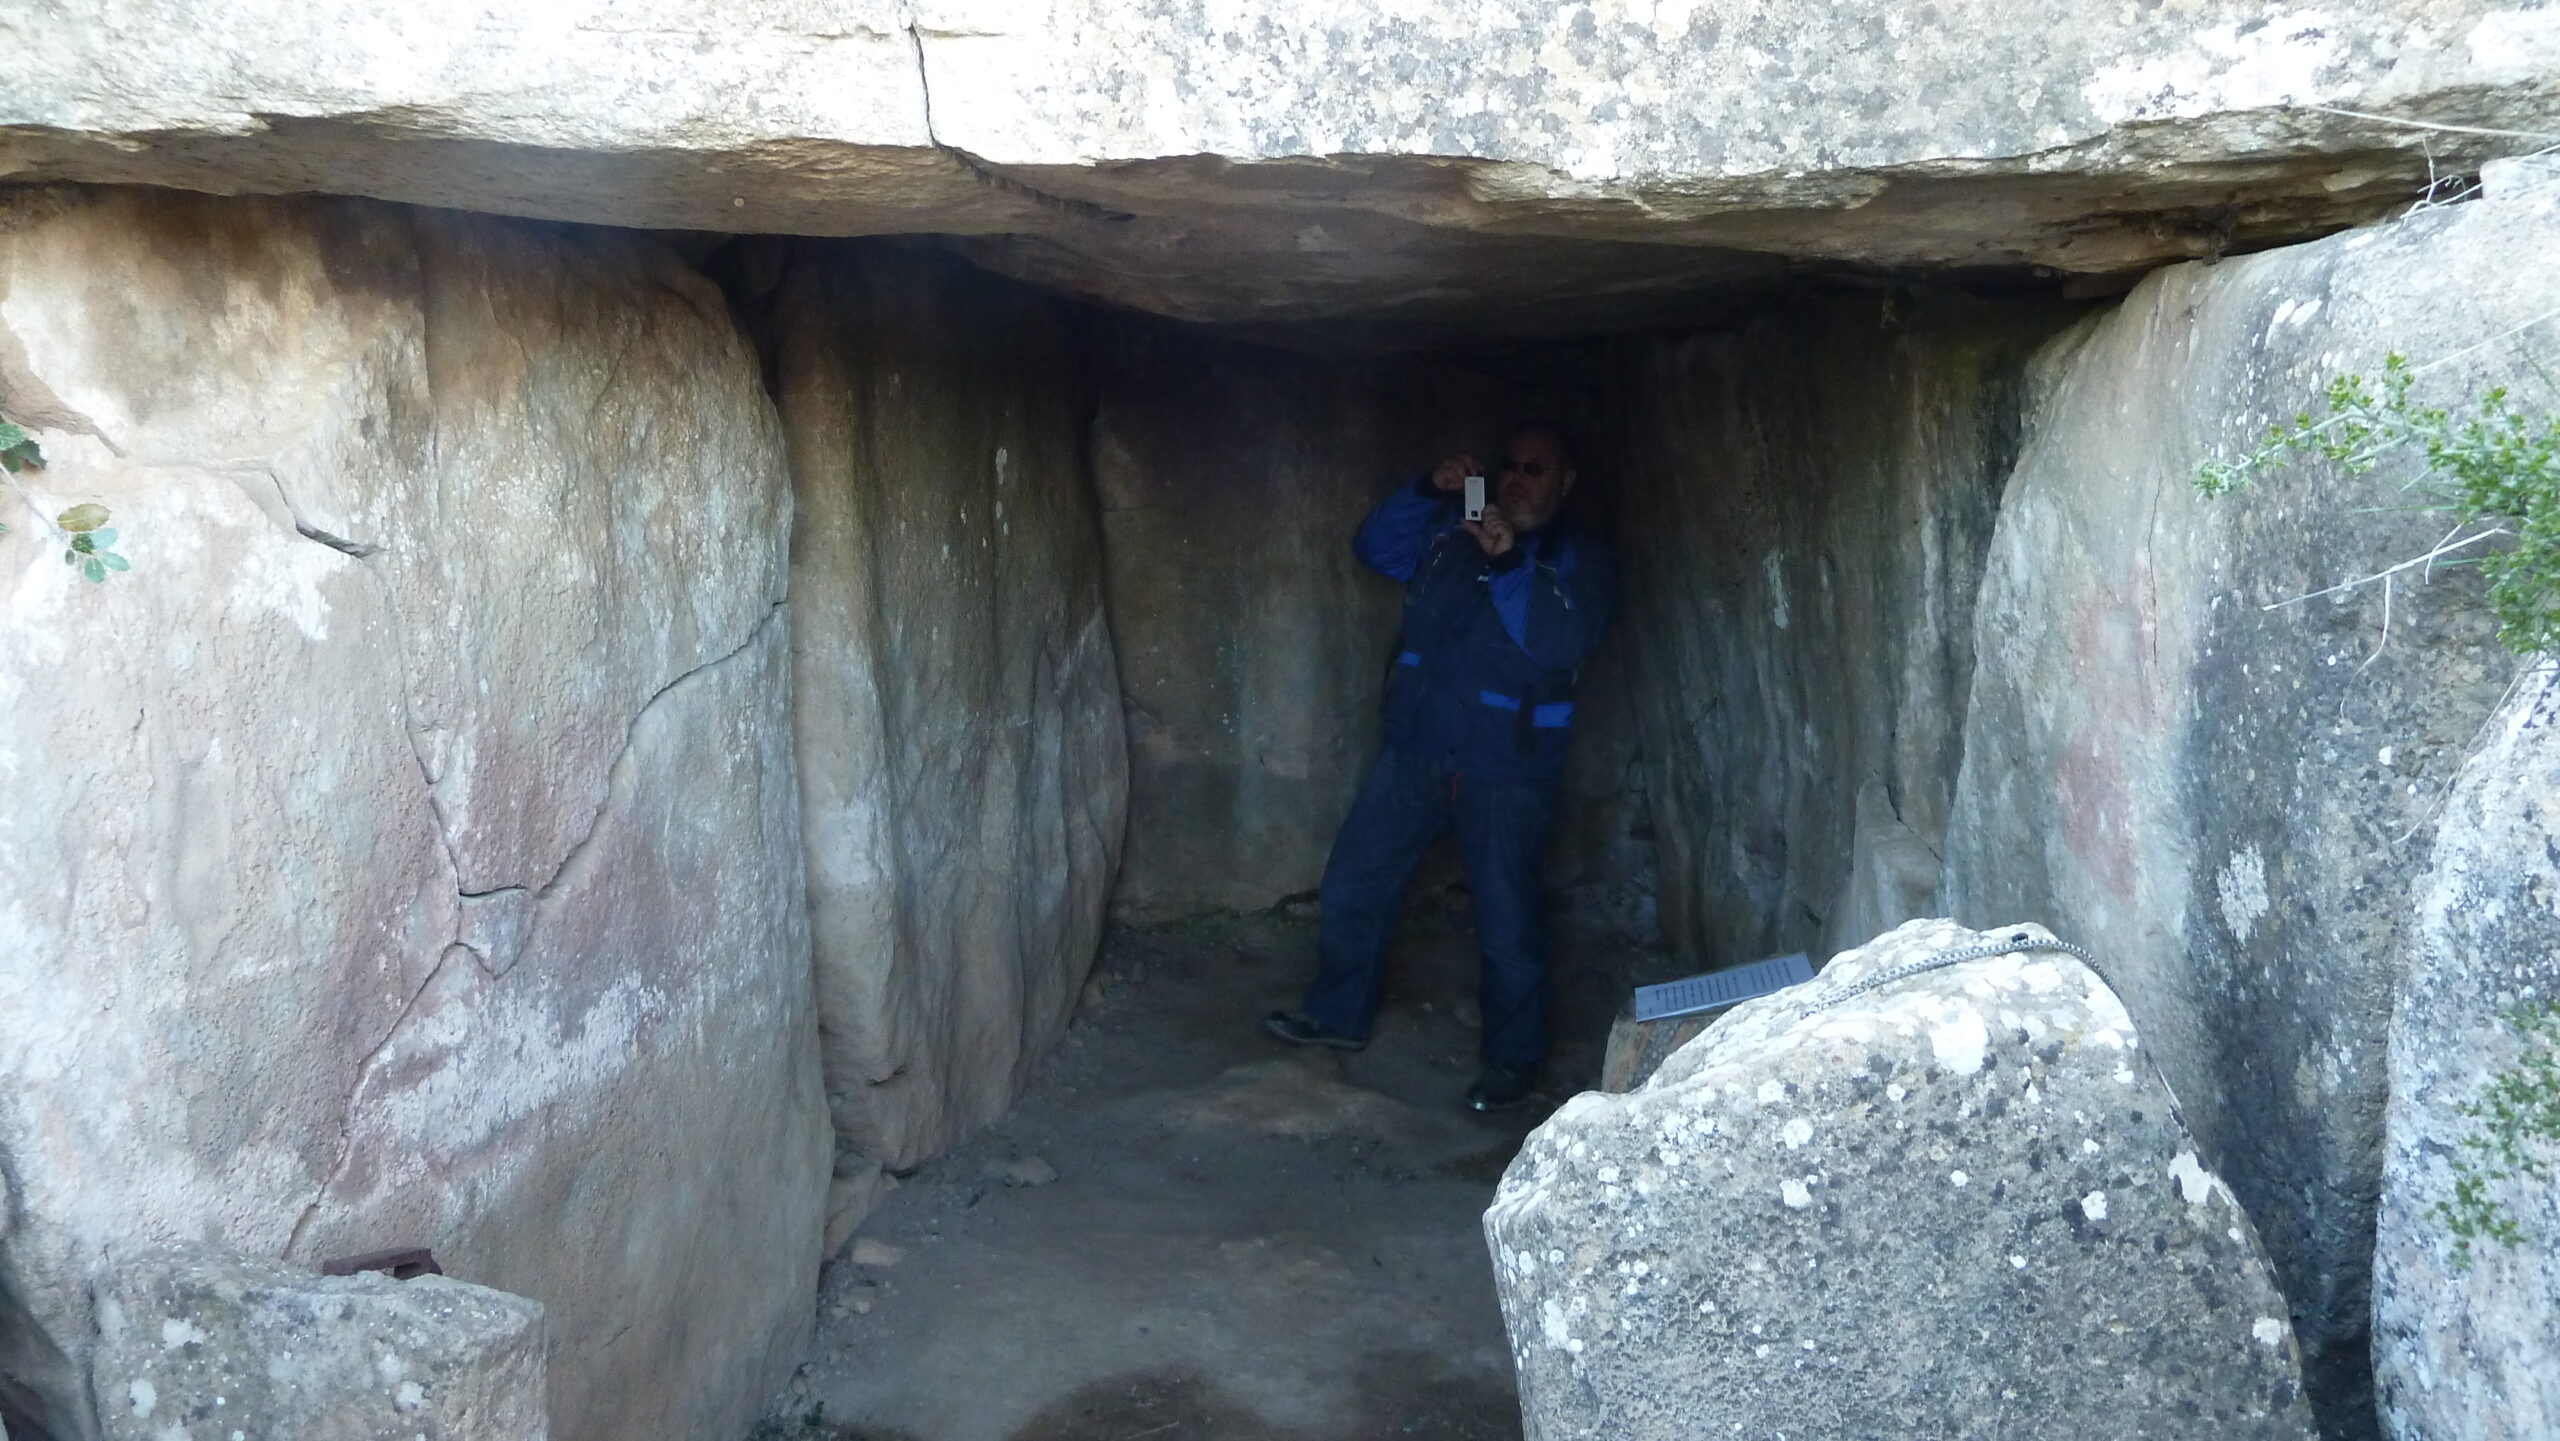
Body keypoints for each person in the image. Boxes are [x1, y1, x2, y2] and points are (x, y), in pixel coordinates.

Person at [1262, 424, 1616, 1111]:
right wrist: (1428, 490)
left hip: (1507, 765)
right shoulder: (1454, 534)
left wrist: (1508, 562)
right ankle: (1337, 1013)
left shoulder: (1581, 559)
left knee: (1507, 917)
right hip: (1419, 746)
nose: (1516, 478)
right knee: (1356, 880)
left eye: (1535, 469)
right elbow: (1375, 549)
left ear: (1565, 482)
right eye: (1508, 465)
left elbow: (1559, 641)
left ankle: (1512, 1062)